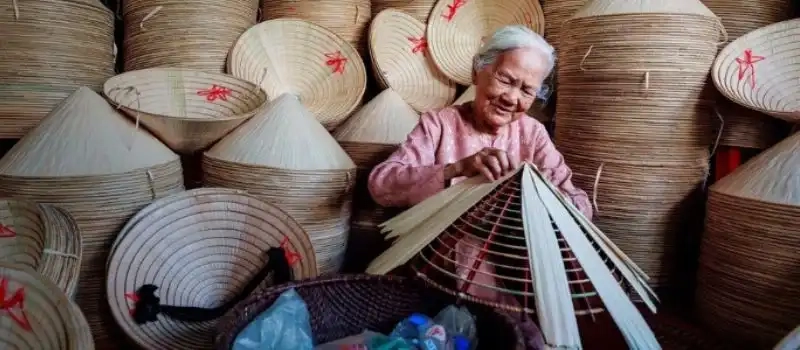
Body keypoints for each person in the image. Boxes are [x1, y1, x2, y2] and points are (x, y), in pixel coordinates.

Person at [368, 25, 593, 349]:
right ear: (478, 71)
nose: (512, 98)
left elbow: (579, 204)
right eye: (505, 79)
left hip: (517, 272)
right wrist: (456, 169)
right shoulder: (439, 124)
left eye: (527, 90)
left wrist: (549, 196)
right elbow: (381, 184)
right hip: (437, 267)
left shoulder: (533, 135)